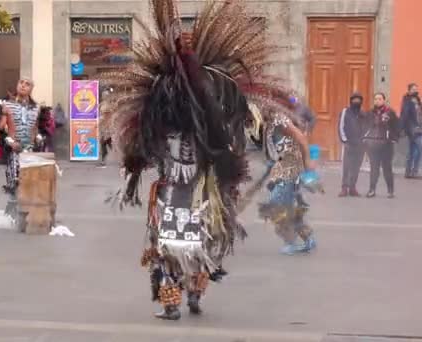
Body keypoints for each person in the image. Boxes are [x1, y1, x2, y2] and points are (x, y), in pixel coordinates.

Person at [101, 0, 298, 320]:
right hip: (195, 195)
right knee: (196, 247)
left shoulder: (182, 124)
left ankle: (174, 302)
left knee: (176, 249)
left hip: (186, 195)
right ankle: (188, 298)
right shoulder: (192, 126)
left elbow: (152, 146)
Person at [259, 110, 318, 255]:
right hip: (281, 168)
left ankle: (291, 241)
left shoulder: (279, 118)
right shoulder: (267, 121)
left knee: (277, 204)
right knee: (285, 205)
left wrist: (308, 162)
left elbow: (301, 139)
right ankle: (307, 238)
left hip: (290, 168)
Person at [0, 78, 40, 197]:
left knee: (29, 185)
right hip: (14, 150)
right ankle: (15, 212)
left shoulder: (36, 107)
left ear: (31, 89)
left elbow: (35, 128)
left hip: (29, 151)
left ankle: (27, 211)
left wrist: (37, 139)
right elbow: (1, 128)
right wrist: (10, 141)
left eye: (27, 84)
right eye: (21, 82)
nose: (23, 85)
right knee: (15, 185)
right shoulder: (7, 105)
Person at [363, 92, 399, 198]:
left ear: (384, 100)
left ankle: (390, 191)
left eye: (379, 99)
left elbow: (397, 126)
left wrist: (394, 139)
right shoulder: (369, 113)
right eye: (375, 99)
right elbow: (364, 126)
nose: (377, 101)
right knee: (374, 168)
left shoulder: (390, 112)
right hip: (373, 144)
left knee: (387, 168)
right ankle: (372, 189)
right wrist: (365, 139)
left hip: (386, 145)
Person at [338, 92, 367, 196]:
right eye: (354, 99)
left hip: (360, 145)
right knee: (346, 167)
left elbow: (367, 128)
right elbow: (341, 127)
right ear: (351, 101)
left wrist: (365, 141)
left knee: (356, 167)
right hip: (348, 144)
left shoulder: (363, 114)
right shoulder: (345, 111)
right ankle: (344, 188)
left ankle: (352, 187)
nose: (356, 102)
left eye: (358, 100)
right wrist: (344, 141)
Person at [400, 83, 422, 178]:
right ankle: (414, 171)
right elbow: (404, 116)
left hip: (419, 128)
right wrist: (402, 128)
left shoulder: (418, 100)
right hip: (412, 129)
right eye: (413, 89)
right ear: (409, 90)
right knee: (420, 148)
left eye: (416, 89)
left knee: (412, 150)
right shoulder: (407, 101)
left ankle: (408, 172)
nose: (415, 90)